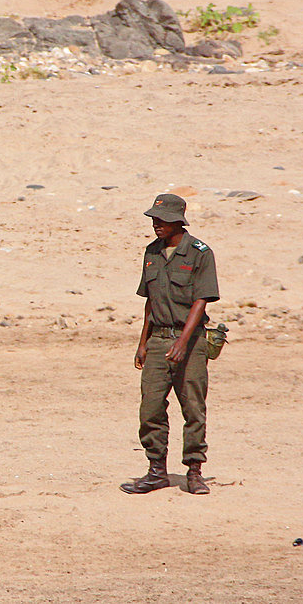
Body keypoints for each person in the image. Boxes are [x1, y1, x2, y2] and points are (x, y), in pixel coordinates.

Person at [121, 194, 220, 496]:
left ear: (179, 221)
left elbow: (201, 301)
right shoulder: (151, 253)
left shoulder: (200, 253)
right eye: (153, 220)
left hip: (189, 343)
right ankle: (156, 471)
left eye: (161, 221)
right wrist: (143, 342)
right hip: (158, 340)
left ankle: (194, 472)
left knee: (193, 408)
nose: (156, 225)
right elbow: (150, 301)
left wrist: (183, 340)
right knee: (150, 408)